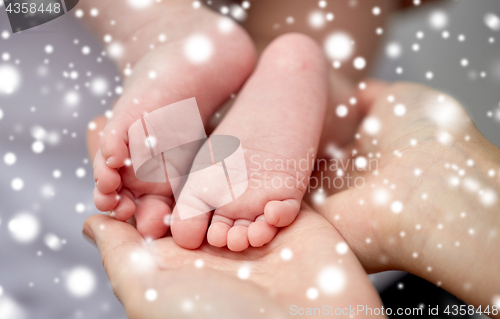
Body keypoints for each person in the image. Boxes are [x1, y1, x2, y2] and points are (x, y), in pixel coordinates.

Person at [81, 0, 500, 317]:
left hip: (78, 284)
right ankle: (303, 79)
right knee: (325, 53)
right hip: (377, 265)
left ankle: (162, 31)